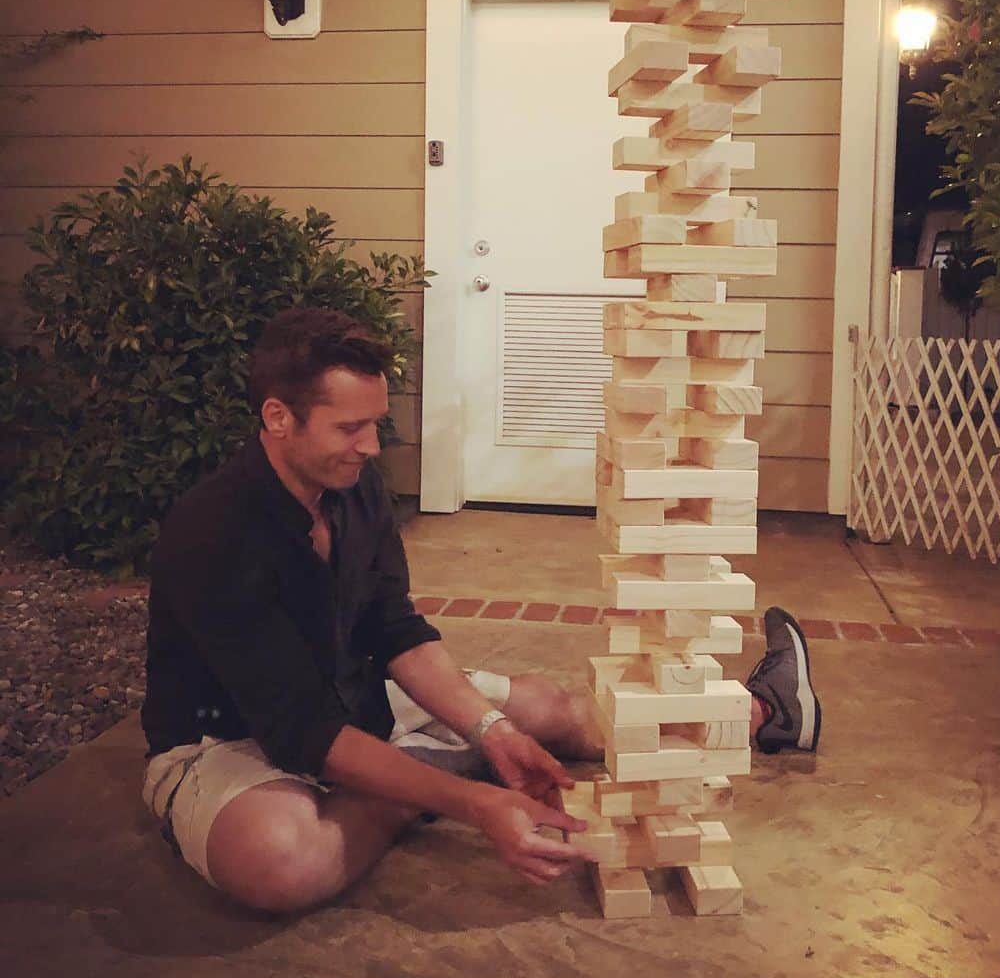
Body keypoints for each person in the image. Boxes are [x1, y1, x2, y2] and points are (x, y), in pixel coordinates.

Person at [141, 307, 821, 914]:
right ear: (277, 418)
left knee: (546, 712)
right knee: (279, 863)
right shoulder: (215, 533)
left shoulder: (354, 487)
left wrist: (489, 728)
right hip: (228, 739)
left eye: (375, 425)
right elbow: (299, 732)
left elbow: (394, 628)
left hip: (348, 703)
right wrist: (476, 804)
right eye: (349, 428)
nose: (371, 447)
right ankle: (422, 782)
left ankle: (759, 709)